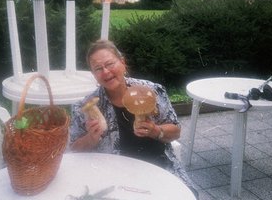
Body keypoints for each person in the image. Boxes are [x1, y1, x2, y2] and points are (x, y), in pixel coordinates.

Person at [69, 39, 196, 195]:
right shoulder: (84, 107)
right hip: (114, 176)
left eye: (109, 64)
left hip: (159, 168)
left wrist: (156, 131)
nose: (106, 72)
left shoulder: (152, 90)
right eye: (98, 68)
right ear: (94, 75)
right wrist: (91, 138)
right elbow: (73, 149)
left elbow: (175, 131)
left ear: (122, 62)